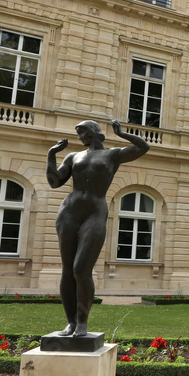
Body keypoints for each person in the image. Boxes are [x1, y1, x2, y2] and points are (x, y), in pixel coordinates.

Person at [47, 120, 149, 336]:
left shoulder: (112, 155)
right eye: (78, 132)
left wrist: (122, 133)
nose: (79, 136)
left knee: (81, 269)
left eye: (82, 131)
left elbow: (143, 147)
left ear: (93, 132)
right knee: (67, 270)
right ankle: (71, 323)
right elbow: (54, 182)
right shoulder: (73, 157)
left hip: (94, 213)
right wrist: (51, 153)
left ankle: (82, 322)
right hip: (68, 212)